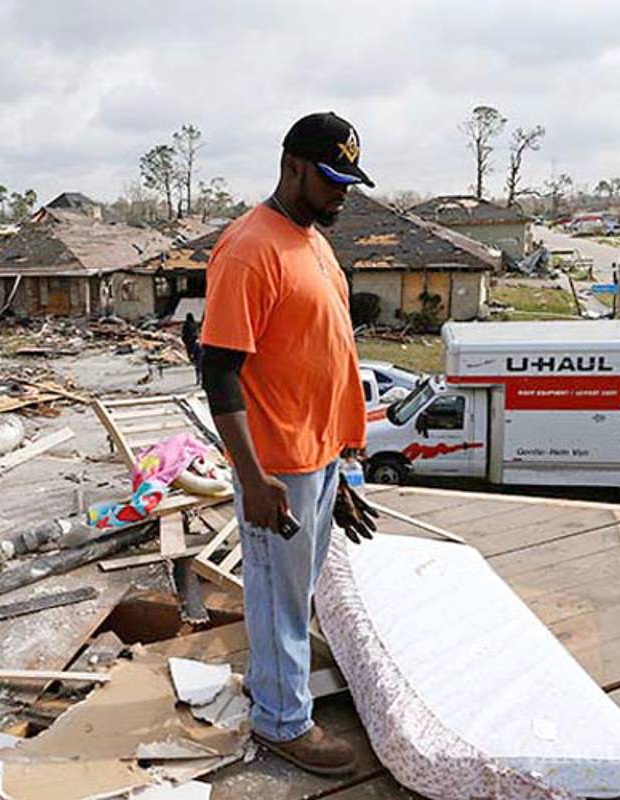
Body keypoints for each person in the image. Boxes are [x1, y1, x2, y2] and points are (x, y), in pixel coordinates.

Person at [199, 112, 379, 776]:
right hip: (278, 464)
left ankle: (280, 686)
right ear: (293, 165)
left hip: (320, 457)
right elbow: (217, 366)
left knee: (294, 592)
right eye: (331, 180)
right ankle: (281, 721)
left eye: (348, 182)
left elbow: (320, 354)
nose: (341, 195)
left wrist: (342, 466)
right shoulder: (251, 248)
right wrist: (252, 477)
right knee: (278, 595)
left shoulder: (311, 242)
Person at [181, 312, 202, 384]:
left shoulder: (186, 325)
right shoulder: (194, 324)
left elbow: (183, 334)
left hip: (189, 344)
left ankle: (198, 376)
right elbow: (197, 333)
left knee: (193, 357)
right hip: (195, 343)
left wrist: (185, 341)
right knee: (198, 359)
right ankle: (200, 377)